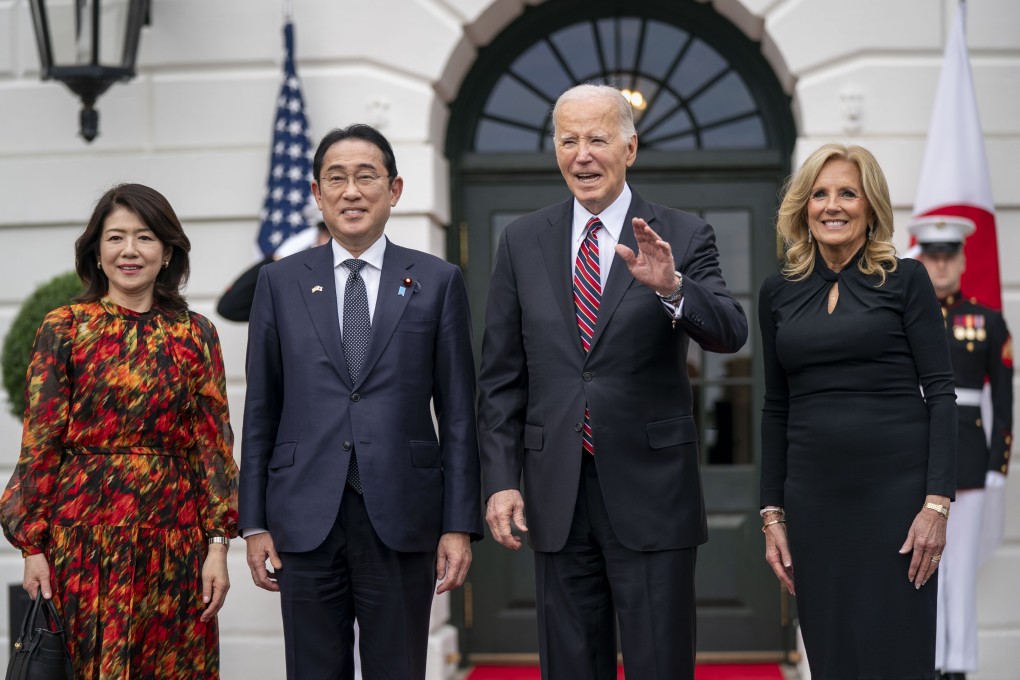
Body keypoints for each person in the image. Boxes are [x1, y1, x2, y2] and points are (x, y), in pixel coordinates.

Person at [477, 83, 748, 679]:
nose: (582, 155)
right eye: (568, 140)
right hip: (556, 493)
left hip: (653, 491)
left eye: (597, 139)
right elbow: (500, 378)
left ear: (631, 147)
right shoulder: (521, 240)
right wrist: (499, 480)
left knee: (660, 662)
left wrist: (674, 288)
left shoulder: (683, 232)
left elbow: (730, 333)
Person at [239, 123, 482, 679]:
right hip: (304, 515)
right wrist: (253, 523)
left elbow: (459, 413)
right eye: (337, 178)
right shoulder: (278, 283)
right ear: (316, 193)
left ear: (394, 190)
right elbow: (261, 412)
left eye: (366, 176)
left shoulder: (437, 280)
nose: (351, 191)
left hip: (403, 512)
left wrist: (458, 524)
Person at [0, 183, 239, 679]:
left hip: (174, 542)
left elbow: (213, 449)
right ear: (96, 252)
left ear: (167, 251)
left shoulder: (197, 334)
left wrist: (218, 546)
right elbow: (40, 443)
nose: (129, 250)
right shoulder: (64, 327)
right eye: (115, 238)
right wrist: (32, 548)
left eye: (145, 237)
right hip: (81, 545)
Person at [759, 143, 957, 679]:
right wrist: (771, 513)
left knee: (896, 652)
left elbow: (940, 392)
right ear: (803, 207)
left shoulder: (907, 279)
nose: (832, 205)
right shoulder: (778, 292)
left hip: (896, 502)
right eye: (820, 194)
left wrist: (936, 506)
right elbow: (776, 407)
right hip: (813, 503)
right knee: (832, 654)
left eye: (848, 192)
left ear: (871, 206)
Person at [910, 216, 1013, 680]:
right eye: (932, 255)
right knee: (920, 565)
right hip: (914, 454)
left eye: (948, 255)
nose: (941, 264)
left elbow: (1006, 400)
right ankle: (926, 660)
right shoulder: (905, 315)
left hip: (969, 457)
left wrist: (999, 462)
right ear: (921, 258)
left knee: (961, 569)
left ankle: (959, 666)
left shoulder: (988, 320)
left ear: (963, 260)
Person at [216, 219, 330, 322]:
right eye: (323, 235)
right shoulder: (292, 291)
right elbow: (229, 306)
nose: (325, 245)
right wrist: (277, 258)